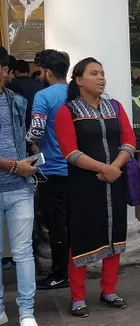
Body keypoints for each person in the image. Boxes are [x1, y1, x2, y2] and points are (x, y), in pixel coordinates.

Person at [54, 57, 136, 317]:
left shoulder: (115, 106)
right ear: (79, 80)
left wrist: (116, 166)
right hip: (84, 185)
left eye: (102, 73)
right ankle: (78, 296)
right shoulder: (68, 111)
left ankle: (109, 290)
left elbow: (129, 140)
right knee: (81, 237)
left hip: (115, 183)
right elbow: (70, 152)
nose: (101, 78)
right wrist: (105, 169)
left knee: (114, 235)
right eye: (94, 73)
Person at [0, 46, 39, 326]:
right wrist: (14, 165)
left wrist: (33, 151)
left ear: (4, 70)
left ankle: (27, 311)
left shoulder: (16, 101)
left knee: (23, 252)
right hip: (15, 174)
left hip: (19, 187)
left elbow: (23, 139)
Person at [26, 49, 71, 291]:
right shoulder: (77, 93)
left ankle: (60, 273)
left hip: (51, 168)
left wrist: (28, 142)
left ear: (48, 72)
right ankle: (73, 270)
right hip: (77, 167)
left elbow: (36, 130)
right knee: (73, 221)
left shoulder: (43, 96)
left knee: (56, 223)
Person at [10, 59, 44, 130]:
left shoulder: (13, 86)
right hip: (38, 125)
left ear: (16, 72)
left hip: (20, 126)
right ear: (28, 71)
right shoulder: (40, 85)